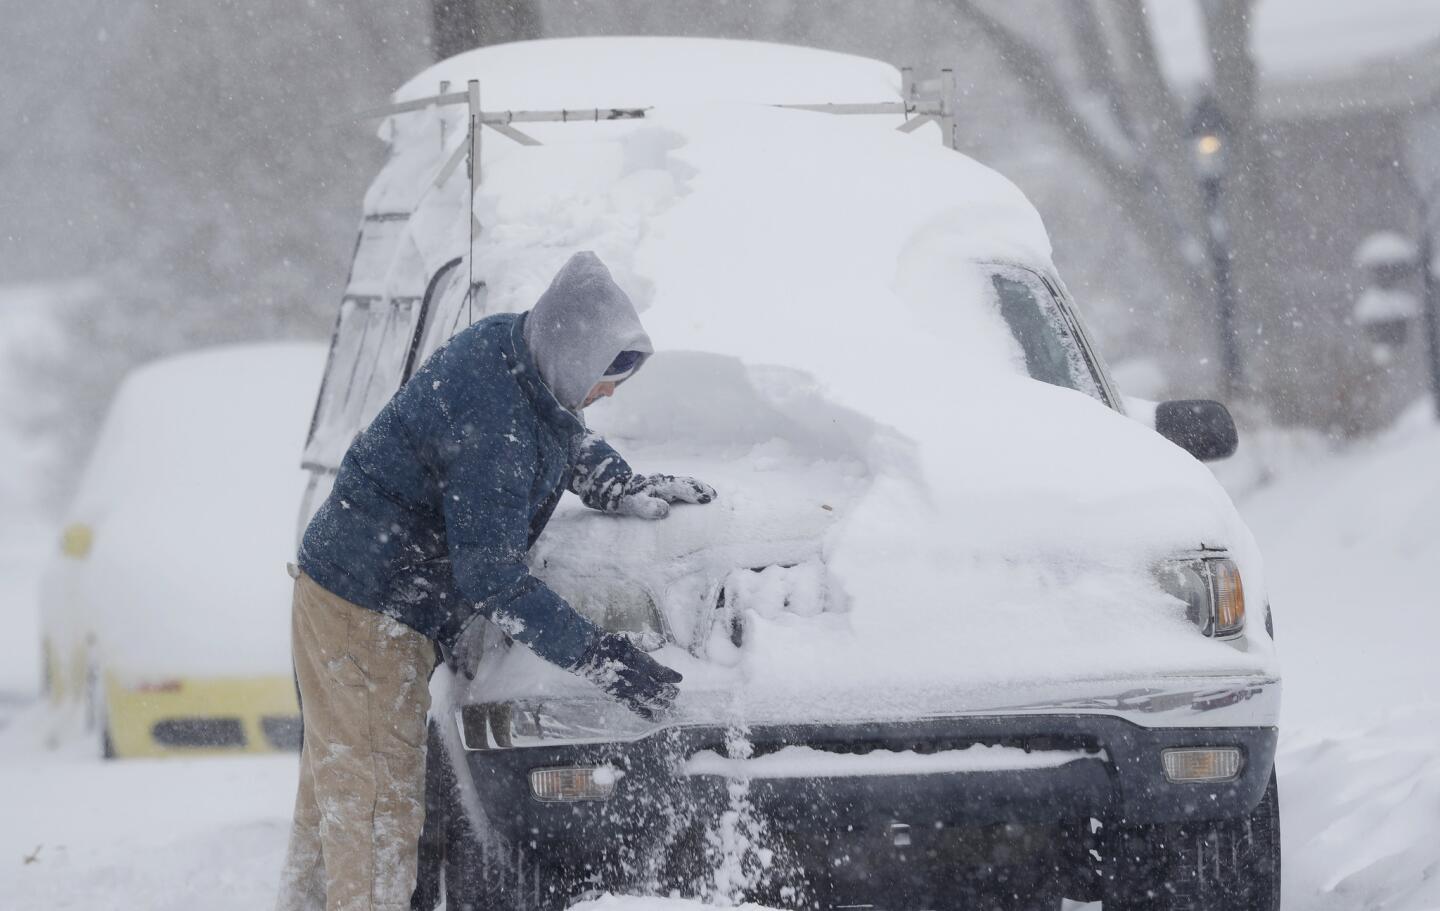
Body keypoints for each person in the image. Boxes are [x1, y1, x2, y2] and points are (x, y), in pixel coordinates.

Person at [275, 251, 714, 911]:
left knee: (339, 802)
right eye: (603, 375)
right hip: (364, 608)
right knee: (374, 812)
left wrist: (616, 482)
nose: (609, 391)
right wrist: (601, 656)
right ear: (568, 353)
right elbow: (490, 575)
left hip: (369, 589)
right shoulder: (495, 423)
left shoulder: (517, 351)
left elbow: (560, 428)